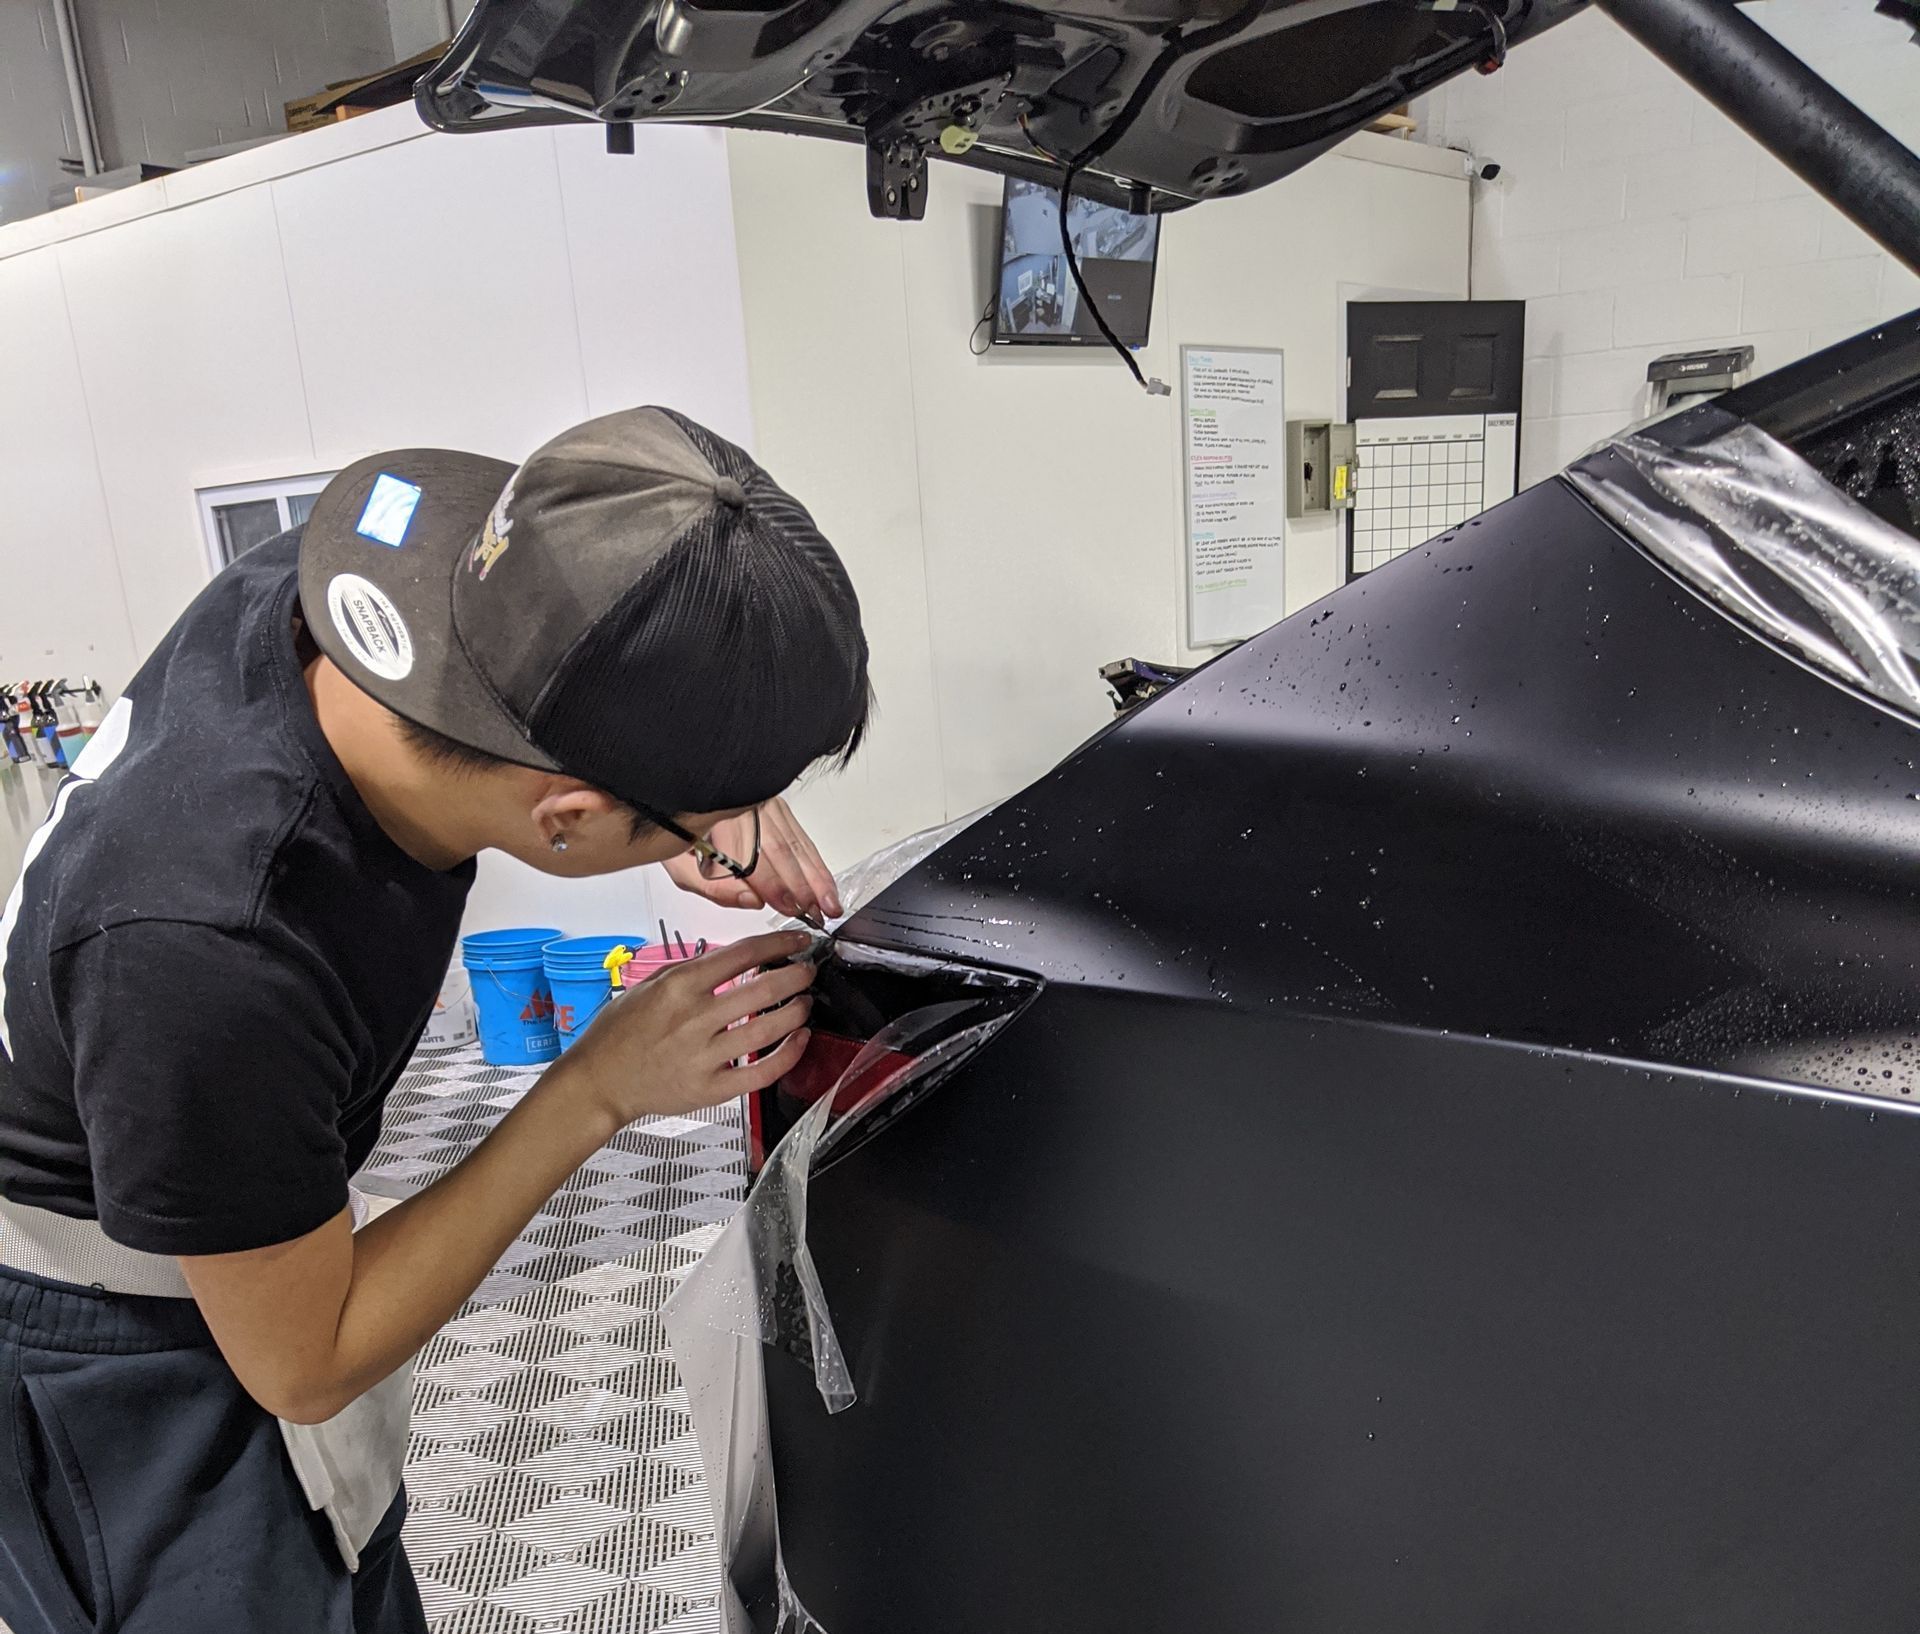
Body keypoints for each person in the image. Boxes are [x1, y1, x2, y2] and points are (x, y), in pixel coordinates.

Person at [0, 406, 871, 1631]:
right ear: (566, 813)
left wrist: (698, 798)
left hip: (216, 1156)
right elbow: (309, 1358)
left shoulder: (395, 578)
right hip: (118, 1323)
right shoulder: (211, 945)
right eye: (702, 814)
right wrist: (598, 1086)